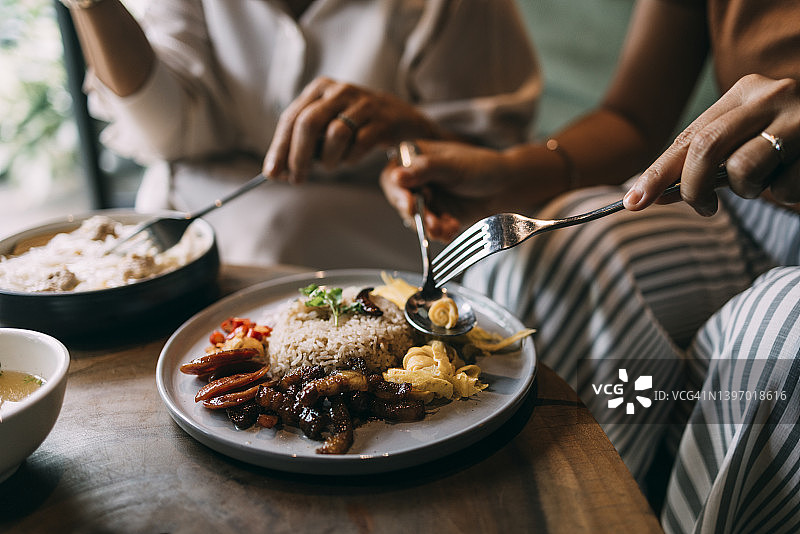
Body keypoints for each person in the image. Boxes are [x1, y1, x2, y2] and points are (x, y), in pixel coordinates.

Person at [381, 0, 800, 532]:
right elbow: (635, 118)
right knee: (553, 257)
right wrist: (510, 173)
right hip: (744, 196)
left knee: (784, 337)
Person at [60, 0, 540, 270]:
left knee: (285, 229)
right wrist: (95, 7)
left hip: (383, 237)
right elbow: (170, 133)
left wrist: (411, 131)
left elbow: (491, 170)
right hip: (183, 229)